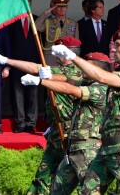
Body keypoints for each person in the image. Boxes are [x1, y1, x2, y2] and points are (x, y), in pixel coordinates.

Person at [51, 28, 120, 194]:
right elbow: (72, 81)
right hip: (107, 148)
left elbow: (101, 77)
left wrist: (72, 57)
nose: (113, 49)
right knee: (88, 191)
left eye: (117, 45)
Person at [0, 37, 83, 194]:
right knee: (42, 175)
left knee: (80, 178)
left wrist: (7, 60)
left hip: (70, 132)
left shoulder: (76, 72)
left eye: (58, 52)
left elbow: (36, 68)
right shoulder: (59, 70)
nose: (55, 55)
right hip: (56, 130)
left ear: (67, 53)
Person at [20, 52, 110, 195]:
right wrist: (47, 75)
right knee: (57, 191)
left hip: (87, 149)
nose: (82, 69)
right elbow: (66, 80)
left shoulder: (101, 89)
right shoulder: (85, 82)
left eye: (88, 66)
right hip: (73, 147)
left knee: (90, 192)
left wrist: (40, 81)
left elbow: (71, 89)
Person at [9, 0, 40, 133]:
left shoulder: (37, 20)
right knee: (18, 94)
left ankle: (31, 123)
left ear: (31, 3)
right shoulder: (11, 21)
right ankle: (20, 122)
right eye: (23, 0)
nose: (26, 3)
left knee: (33, 94)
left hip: (34, 63)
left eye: (28, 0)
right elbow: (8, 43)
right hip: (16, 62)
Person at [35, 0, 79, 66]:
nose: (62, 9)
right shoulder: (48, 22)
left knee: (65, 76)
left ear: (67, 8)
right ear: (54, 9)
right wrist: (46, 13)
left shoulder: (73, 23)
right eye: (59, 7)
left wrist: (75, 57)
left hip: (67, 56)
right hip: (51, 56)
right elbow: (35, 27)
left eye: (64, 7)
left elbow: (76, 43)